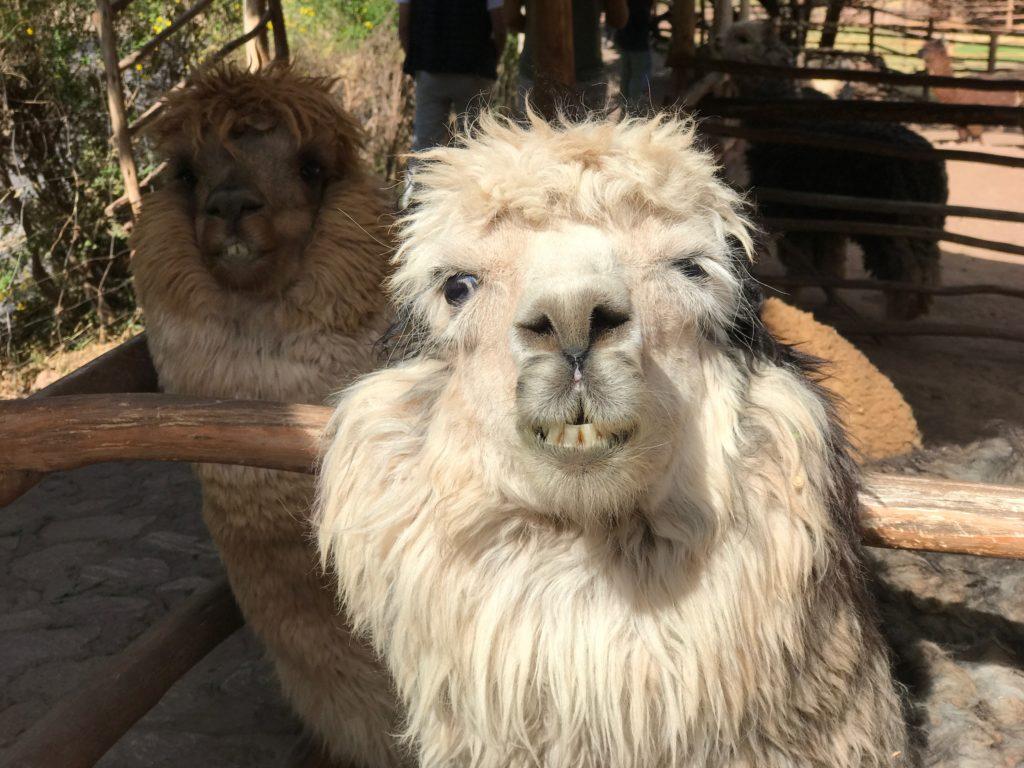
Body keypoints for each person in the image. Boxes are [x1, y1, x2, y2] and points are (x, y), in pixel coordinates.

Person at [398, 0, 507, 153]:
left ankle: (419, 176)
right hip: (475, 70)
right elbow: (500, 28)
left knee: (425, 147)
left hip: (429, 69)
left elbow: (403, 26)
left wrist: (417, 61)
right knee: (474, 145)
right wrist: (492, 60)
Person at [504, 0, 628, 114]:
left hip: (535, 72)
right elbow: (618, 18)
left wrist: (540, 29)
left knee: (535, 133)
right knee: (586, 136)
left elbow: (510, 17)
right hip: (586, 72)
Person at [614, 0, 653, 112]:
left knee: (626, 75)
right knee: (638, 76)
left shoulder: (627, 4)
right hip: (638, 45)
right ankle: (634, 107)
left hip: (625, 42)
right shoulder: (641, 7)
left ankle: (626, 105)